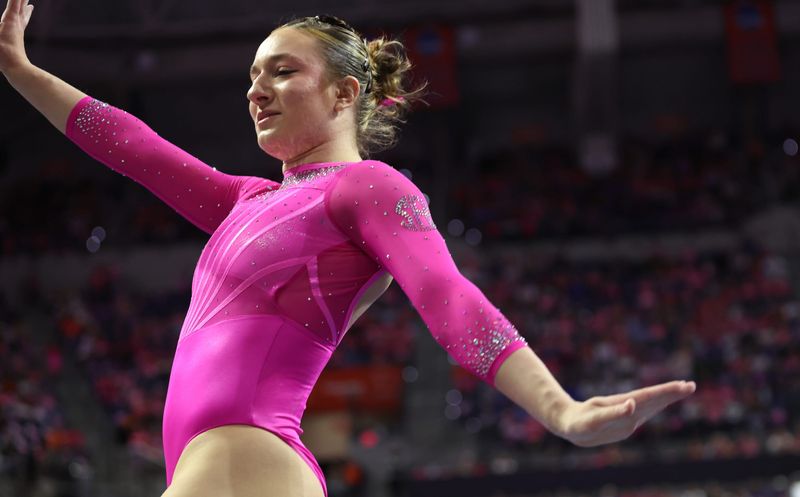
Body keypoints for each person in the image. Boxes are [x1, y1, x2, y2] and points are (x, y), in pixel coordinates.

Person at [1, 2, 697, 497]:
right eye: (251, 75)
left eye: (279, 72)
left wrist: (563, 412)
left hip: (245, 456)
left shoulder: (366, 188)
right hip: (219, 467)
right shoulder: (245, 201)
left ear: (344, 92)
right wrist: (20, 69)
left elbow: (450, 300)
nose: (254, 91)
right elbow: (134, 148)